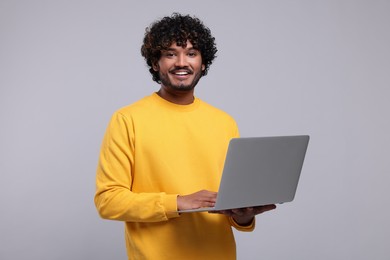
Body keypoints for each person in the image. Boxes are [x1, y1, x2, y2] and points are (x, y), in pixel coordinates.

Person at [94, 13, 276, 260]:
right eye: (170, 54)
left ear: (203, 63)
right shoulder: (127, 120)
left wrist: (244, 216)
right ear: (155, 63)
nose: (182, 62)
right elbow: (108, 200)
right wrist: (177, 202)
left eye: (191, 53)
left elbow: (229, 199)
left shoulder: (224, 122)